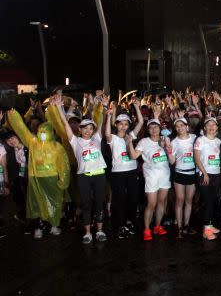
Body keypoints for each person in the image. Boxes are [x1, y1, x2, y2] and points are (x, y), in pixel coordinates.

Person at [5, 108, 69, 239]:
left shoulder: (57, 147)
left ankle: (54, 225)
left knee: (54, 203)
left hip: (52, 179)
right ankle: (37, 227)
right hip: (36, 179)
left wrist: (64, 179)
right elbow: (22, 131)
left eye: (45, 132)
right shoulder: (33, 143)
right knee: (35, 204)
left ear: (51, 132)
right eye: (40, 131)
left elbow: (64, 165)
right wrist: (14, 117)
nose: (42, 134)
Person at [55, 96, 108, 244]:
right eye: (85, 128)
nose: (88, 131)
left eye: (91, 128)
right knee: (86, 204)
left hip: (99, 175)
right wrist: (60, 108)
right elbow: (65, 124)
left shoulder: (97, 139)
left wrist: (103, 107)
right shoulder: (75, 141)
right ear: (80, 129)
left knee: (98, 203)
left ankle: (99, 230)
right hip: (83, 176)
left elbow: (102, 121)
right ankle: (88, 233)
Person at [104, 99, 144, 239]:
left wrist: (137, 107)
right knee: (119, 199)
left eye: (126, 124)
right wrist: (108, 116)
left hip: (132, 171)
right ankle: (120, 225)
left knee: (133, 198)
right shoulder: (113, 138)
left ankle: (131, 221)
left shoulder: (130, 136)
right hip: (118, 173)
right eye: (120, 124)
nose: (123, 126)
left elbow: (140, 123)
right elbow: (107, 134)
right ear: (116, 125)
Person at [128, 117, 172, 241]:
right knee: (151, 204)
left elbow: (171, 158)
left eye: (156, 127)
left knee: (162, 202)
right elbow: (134, 156)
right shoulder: (144, 141)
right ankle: (147, 229)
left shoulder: (165, 139)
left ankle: (157, 226)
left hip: (164, 175)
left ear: (160, 128)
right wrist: (129, 142)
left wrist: (167, 147)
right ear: (148, 129)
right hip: (151, 176)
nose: (154, 129)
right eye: (151, 127)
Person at [168, 114, 197, 238]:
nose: (180, 128)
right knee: (180, 199)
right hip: (179, 173)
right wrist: (168, 150)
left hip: (192, 173)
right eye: (177, 126)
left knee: (189, 200)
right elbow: (171, 161)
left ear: (187, 127)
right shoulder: (174, 142)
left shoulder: (195, 138)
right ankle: (179, 227)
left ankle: (186, 225)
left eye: (182, 125)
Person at [194, 117, 221, 240]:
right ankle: (206, 229)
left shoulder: (218, 141)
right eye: (208, 125)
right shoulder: (200, 140)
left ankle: (209, 225)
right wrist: (204, 173)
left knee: (212, 201)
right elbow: (197, 158)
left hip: (216, 174)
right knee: (208, 202)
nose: (211, 127)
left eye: (214, 125)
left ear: (217, 127)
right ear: (204, 127)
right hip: (204, 175)